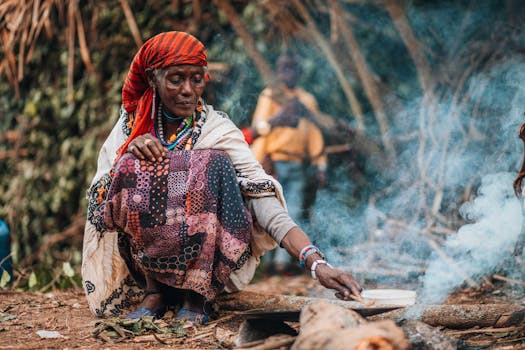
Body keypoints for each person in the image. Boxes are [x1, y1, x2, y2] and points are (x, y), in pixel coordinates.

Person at [81, 31, 361, 325]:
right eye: (176, 79)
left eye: (196, 79)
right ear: (153, 79)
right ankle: (156, 292)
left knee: (211, 163)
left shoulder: (217, 130)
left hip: (208, 266)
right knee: (129, 164)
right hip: (145, 262)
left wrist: (317, 263)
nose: (188, 90)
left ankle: (197, 296)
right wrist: (133, 150)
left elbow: (262, 198)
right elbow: (104, 200)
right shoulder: (132, 126)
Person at [243, 52, 327, 271]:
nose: (286, 73)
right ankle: (267, 263)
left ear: (299, 72)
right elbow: (260, 128)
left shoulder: (306, 100)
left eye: (291, 68)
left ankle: (282, 263)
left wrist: (320, 164)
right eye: (282, 68)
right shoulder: (271, 95)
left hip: (297, 164)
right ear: (277, 72)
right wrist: (258, 161)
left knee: (294, 211)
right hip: (272, 163)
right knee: (268, 212)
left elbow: (315, 133)